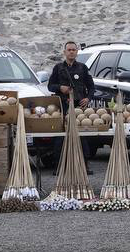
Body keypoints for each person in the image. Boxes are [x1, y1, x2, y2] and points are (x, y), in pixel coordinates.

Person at [47, 41, 96, 174]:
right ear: (65, 52)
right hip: (63, 105)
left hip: (79, 106)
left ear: (77, 52)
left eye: (74, 50)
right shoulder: (58, 68)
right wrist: (60, 87)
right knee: (60, 135)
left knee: (81, 135)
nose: (71, 52)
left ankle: (84, 165)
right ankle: (58, 166)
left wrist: (88, 98)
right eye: (69, 50)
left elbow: (91, 87)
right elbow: (50, 86)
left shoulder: (82, 68)